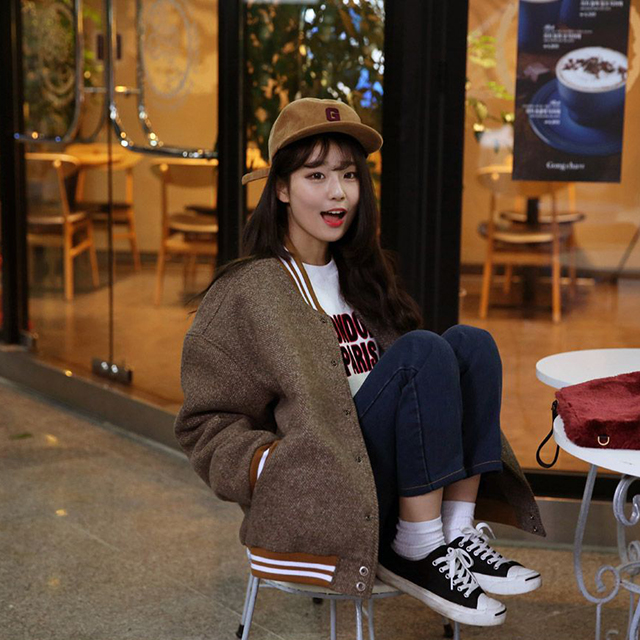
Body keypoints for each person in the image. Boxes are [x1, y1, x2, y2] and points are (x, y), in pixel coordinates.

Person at [174, 97, 544, 628]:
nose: (338, 192)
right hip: (327, 479)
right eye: (316, 175)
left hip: (392, 474)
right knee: (422, 351)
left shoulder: (363, 274)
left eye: (348, 174)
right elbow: (204, 425)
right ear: (281, 189)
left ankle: (453, 532)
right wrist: (275, 465)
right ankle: (418, 545)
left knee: (471, 343)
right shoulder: (248, 292)